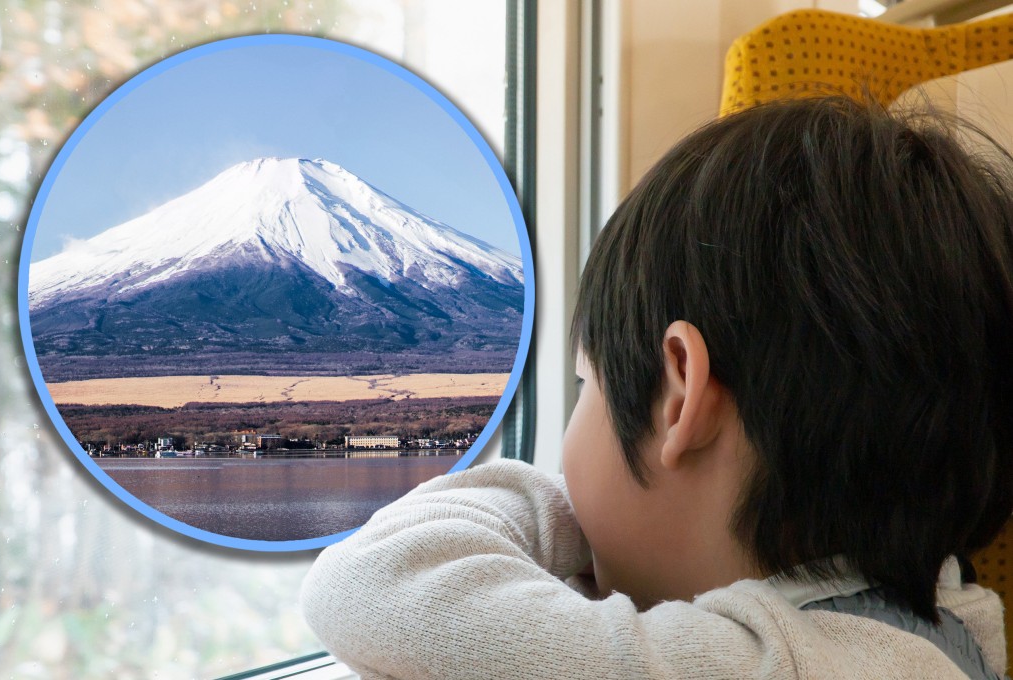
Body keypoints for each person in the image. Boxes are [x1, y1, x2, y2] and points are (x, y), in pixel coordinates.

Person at [300, 96, 1013, 679]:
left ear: (680, 399)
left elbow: (376, 580)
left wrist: (572, 507)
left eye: (585, 384)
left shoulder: (755, 667)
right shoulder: (954, 621)